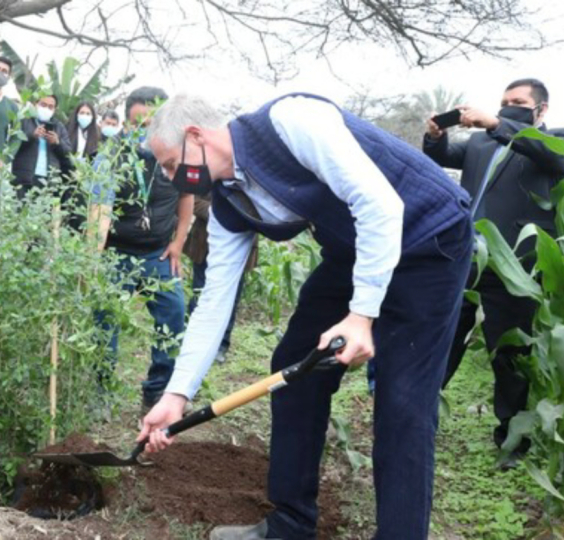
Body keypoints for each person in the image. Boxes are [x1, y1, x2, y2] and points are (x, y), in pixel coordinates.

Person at [138, 93, 473, 540]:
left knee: (404, 403)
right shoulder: (228, 204)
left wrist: (361, 315)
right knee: (293, 367)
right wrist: (176, 395)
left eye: (168, 163)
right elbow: (214, 301)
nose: (169, 177)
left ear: (196, 136)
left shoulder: (293, 121)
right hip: (354, 251)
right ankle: (290, 525)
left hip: (427, 240)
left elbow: (381, 207)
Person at [423, 78, 564, 464]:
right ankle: (418, 419)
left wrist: (497, 124)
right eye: (503, 102)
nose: (507, 106)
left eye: (517, 102)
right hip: (466, 256)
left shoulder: (552, 140)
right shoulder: (482, 144)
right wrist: (435, 136)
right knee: (442, 337)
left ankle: (511, 441)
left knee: (509, 351)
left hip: (516, 264)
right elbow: (443, 155)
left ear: (541, 110)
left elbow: (555, 160)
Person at [95, 86, 194, 413]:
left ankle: (156, 390)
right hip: (116, 254)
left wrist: (178, 243)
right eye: (138, 123)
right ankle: (102, 391)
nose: (145, 130)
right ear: (127, 122)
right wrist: (93, 256)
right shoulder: (113, 155)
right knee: (104, 321)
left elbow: (186, 198)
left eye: (152, 122)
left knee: (174, 315)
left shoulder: (176, 154)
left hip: (158, 256)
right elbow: (100, 207)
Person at [184, 192, 256, 364]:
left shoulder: (254, 175)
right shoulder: (208, 169)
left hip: (240, 246)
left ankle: (221, 344)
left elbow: (262, 209)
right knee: (200, 292)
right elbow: (191, 199)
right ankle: (191, 340)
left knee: (231, 297)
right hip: (205, 243)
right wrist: (220, 214)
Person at [11, 94, 71, 196]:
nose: (46, 109)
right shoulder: (24, 121)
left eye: (50, 107)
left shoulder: (58, 126)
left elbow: (68, 152)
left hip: (48, 180)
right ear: (36, 104)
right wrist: (32, 136)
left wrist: (57, 143)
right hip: (24, 178)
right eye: (43, 105)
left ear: (54, 109)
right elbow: (13, 145)